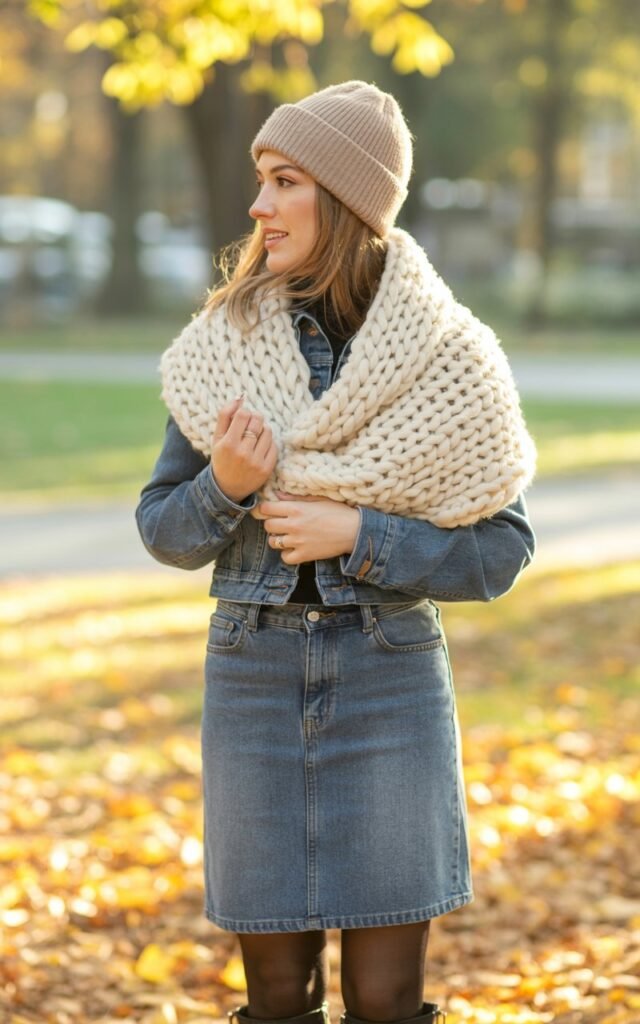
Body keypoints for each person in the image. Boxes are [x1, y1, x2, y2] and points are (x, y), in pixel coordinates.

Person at [136, 80, 537, 1024]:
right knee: (278, 993)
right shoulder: (223, 344)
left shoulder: (450, 357)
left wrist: (362, 535)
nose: (258, 206)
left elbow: (502, 549)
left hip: (389, 678)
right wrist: (225, 484)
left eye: (284, 182)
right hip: (253, 678)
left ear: (348, 200)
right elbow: (164, 529)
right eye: (260, 181)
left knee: (387, 998)